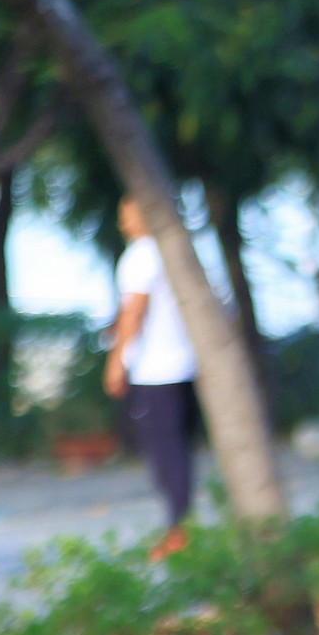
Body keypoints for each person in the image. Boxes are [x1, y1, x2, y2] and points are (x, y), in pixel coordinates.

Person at [104, 197, 203, 556]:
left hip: (155, 370)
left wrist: (117, 360)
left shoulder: (140, 255)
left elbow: (134, 310)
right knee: (179, 451)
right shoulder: (178, 251)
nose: (123, 224)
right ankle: (181, 526)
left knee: (164, 455)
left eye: (127, 216)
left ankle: (179, 530)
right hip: (186, 365)